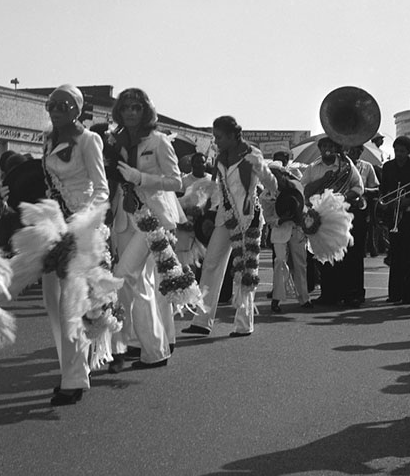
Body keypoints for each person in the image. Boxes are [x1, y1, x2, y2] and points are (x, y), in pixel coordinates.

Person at [39, 85, 109, 404]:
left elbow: (102, 189)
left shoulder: (89, 140)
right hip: (55, 223)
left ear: (77, 110)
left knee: (72, 301)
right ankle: (72, 366)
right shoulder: (47, 138)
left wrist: (81, 221)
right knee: (51, 299)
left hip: (81, 226)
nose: (56, 109)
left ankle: (74, 378)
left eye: (64, 105)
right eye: (52, 104)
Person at [108, 87, 184, 370]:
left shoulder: (159, 141)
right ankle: (139, 344)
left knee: (125, 276)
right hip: (123, 217)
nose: (130, 112)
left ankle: (154, 350)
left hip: (150, 218)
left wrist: (140, 177)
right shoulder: (114, 141)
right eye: (126, 107)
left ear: (146, 110)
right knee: (135, 285)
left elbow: (176, 182)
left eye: (136, 107)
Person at [181, 116, 277, 338]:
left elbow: (272, 184)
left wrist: (262, 169)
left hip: (247, 217)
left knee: (245, 270)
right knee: (211, 264)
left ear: (235, 135)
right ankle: (202, 320)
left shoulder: (252, 155)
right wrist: (206, 208)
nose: (216, 141)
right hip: (224, 218)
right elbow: (216, 188)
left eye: (220, 137)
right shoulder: (221, 158)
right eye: (215, 136)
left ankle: (244, 324)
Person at [300, 137, 363, 307]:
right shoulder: (313, 168)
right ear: (320, 149)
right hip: (319, 216)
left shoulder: (346, 165)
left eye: (330, 145)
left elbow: (358, 187)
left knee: (345, 255)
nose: (327, 149)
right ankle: (328, 294)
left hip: (340, 215)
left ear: (336, 148)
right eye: (324, 146)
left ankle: (348, 294)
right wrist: (323, 180)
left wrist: (342, 198)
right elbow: (303, 189)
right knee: (324, 256)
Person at [380, 136, 410, 304]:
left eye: (402, 151)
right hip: (394, 215)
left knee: (409, 255)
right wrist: (387, 203)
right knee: (395, 254)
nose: (398, 154)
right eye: (396, 150)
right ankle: (394, 294)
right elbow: (383, 188)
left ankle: (408, 295)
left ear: (408, 151)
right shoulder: (388, 167)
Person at [260, 163, 311, 312]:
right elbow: (268, 217)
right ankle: (276, 299)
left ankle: (304, 298)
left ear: (283, 174)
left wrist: (301, 218)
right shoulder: (266, 195)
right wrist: (280, 220)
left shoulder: (296, 186)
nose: (275, 178)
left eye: (277, 175)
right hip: (279, 231)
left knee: (300, 264)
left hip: (297, 229)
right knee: (280, 262)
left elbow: (303, 205)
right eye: (271, 176)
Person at [346, 145, 380, 305]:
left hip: (359, 213)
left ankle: (358, 293)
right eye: (352, 149)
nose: (354, 152)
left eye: (358, 150)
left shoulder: (367, 167)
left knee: (357, 255)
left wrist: (361, 190)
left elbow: (376, 188)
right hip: (342, 212)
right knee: (343, 254)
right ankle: (344, 292)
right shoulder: (341, 166)